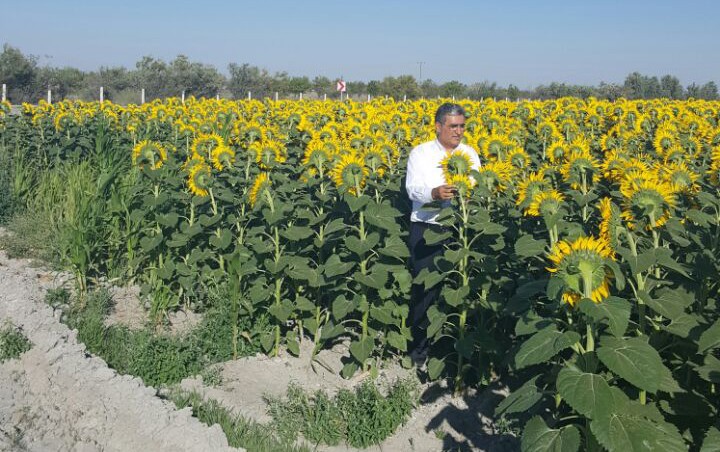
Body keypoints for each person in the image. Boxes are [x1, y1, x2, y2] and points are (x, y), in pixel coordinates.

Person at [405, 103, 481, 361]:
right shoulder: (421, 153)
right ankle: (419, 350)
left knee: (459, 288)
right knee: (425, 291)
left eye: (462, 126)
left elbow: (476, 187)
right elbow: (412, 189)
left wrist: (471, 199)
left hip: (460, 229)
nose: (458, 131)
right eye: (453, 126)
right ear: (438, 127)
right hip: (428, 227)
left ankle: (452, 350)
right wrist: (434, 193)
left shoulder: (469, 154)